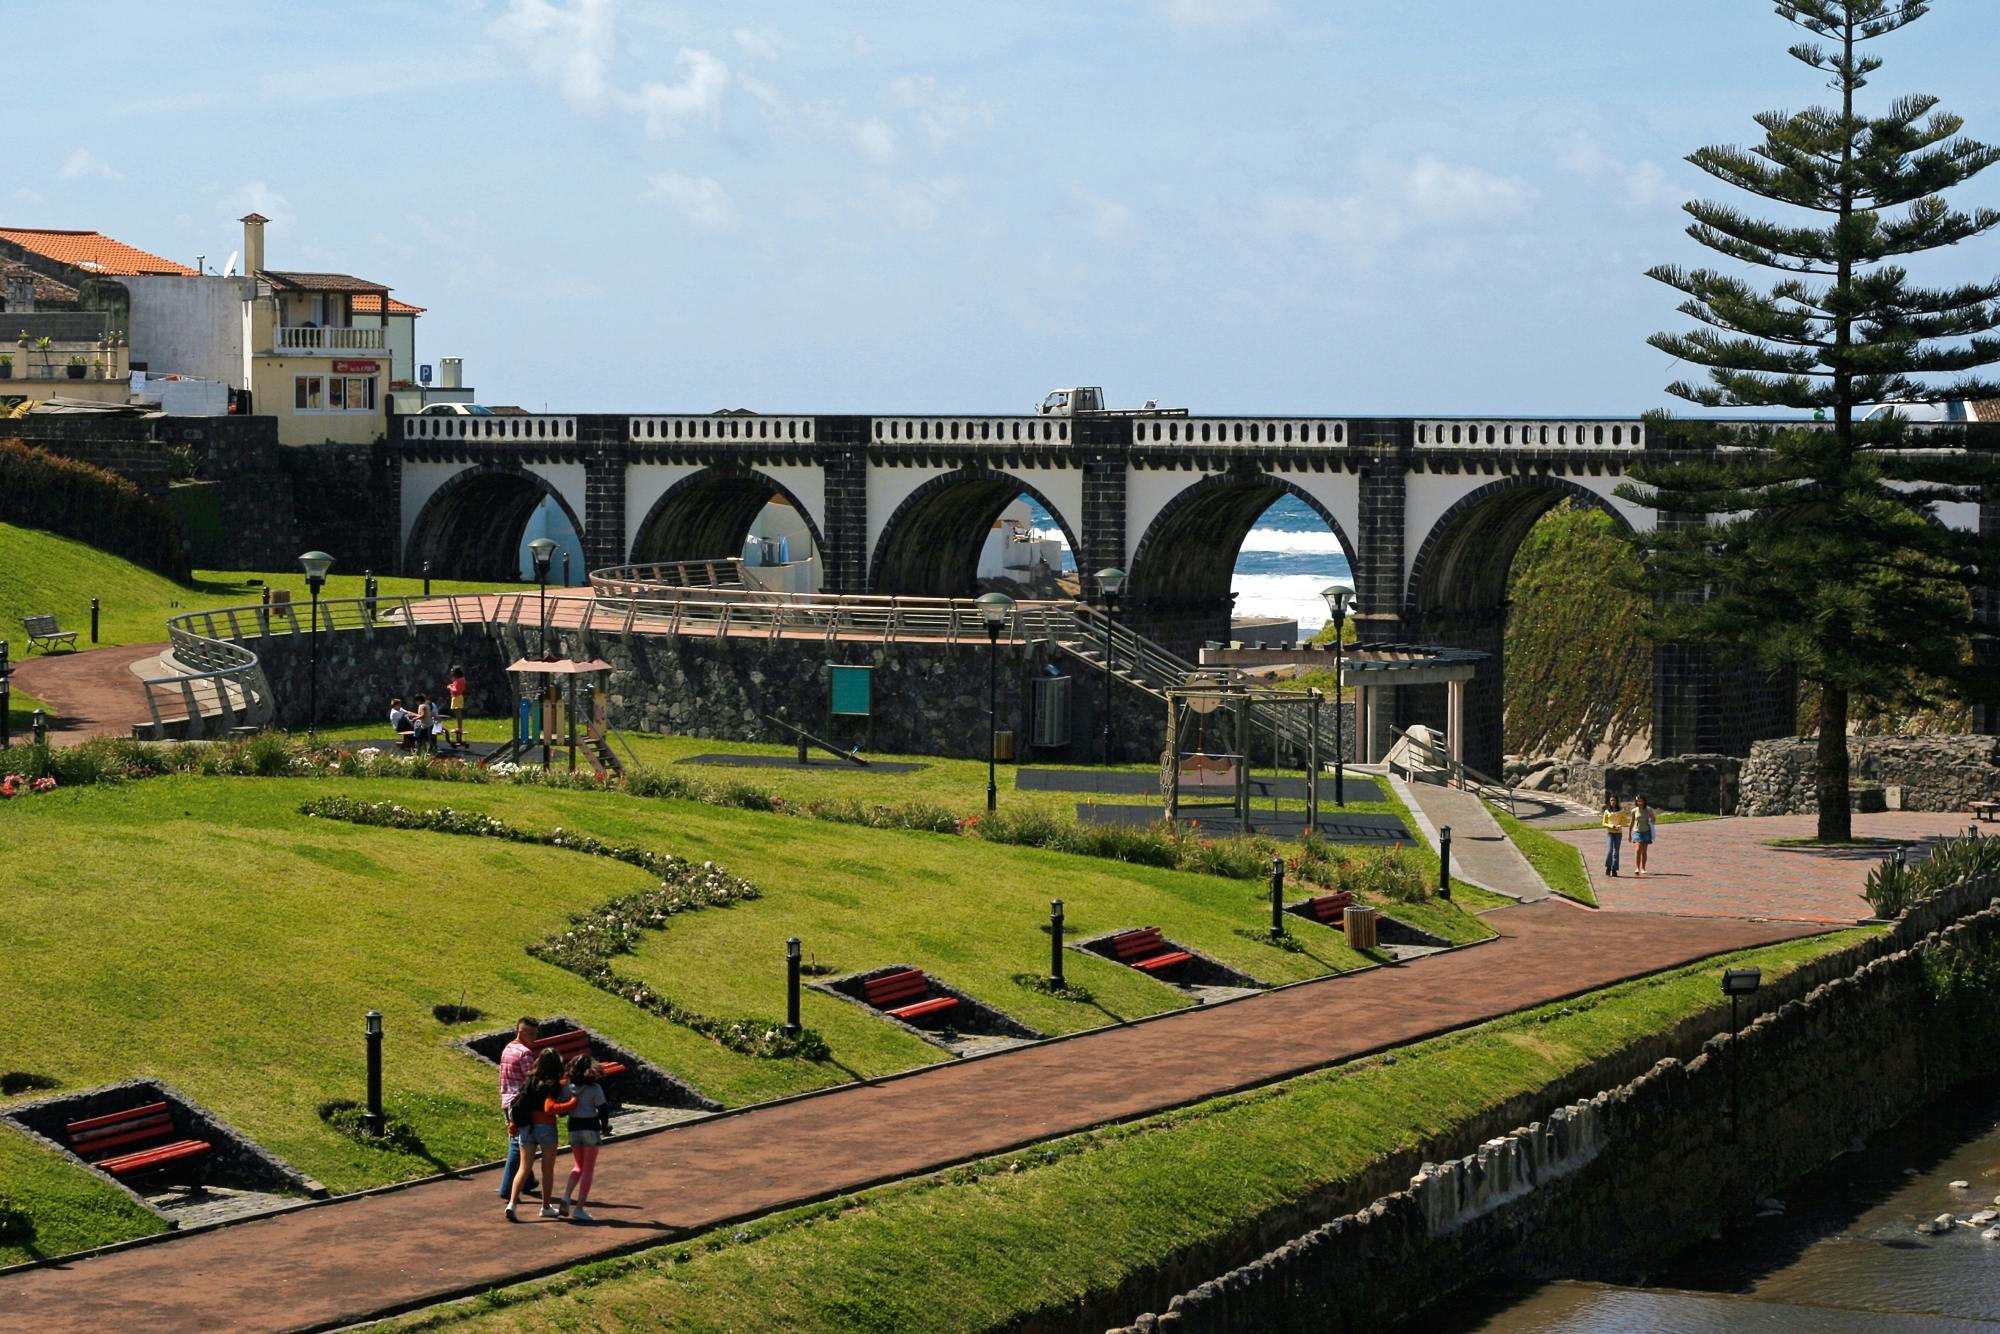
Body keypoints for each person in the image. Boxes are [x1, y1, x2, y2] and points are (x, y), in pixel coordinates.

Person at [506, 1048, 576, 1222]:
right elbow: (561, 1110)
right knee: (547, 1170)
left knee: (524, 1167)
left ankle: (512, 1204)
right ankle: (545, 1206)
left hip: (527, 1127)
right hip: (546, 1127)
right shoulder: (558, 1083)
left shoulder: (530, 1079)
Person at [496, 1018, 540, 1202]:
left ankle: (527, 1181)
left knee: (518, 1141)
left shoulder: (508, 1048)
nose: (535, 1038)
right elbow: (531, 1082)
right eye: (531, 1034)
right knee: (518, 1145)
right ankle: (507, 1188)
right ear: (521, 1032)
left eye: (536, 1034)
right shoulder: (525, 1053)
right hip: (520, 1104)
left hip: (507, 1102)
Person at [561, 1053, 609, 1223]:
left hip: (573, 1127)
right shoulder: (595, 1088)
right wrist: (605, 1127)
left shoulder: (567, 1086)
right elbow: (603, 1109)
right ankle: (579, 1208)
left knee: (578, 1166)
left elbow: (562, 1110)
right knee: (588, 1169)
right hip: (590, 1127)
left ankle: (566, 1197)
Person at [1601, 796, 1631, 877]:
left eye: (1614, 800)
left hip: (1618, 833)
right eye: (1611, 800)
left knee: (1616, 852)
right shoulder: (1607, 811)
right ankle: (1608, 867)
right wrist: (1611, 826)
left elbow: (1625, 821)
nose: (1612, 801)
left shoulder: (1621, 811)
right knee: (1610, 850)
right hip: (1610, 833)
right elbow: (1604, 823)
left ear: (1617, 801)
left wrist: (1619, 825)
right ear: (1609, 801)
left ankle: (1614, 869)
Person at [1631, 794, 1657, 877]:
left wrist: (1651, 820)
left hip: (1646, 832)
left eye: (1641, 801)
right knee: (1638, 850)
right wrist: (1629, 834)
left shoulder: (1648, 809)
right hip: (1637, 831)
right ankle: (1637, 867)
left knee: (1644, 851)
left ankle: (1643, 868)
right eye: (1638, 801)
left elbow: (1653, 819)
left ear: (1644, 801)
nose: (1640, 803)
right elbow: (1632, 822)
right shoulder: (1634, 810)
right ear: (1636, 802)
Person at [447, 665, 468, 748]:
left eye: (452, 670)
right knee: (458, 712)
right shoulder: (461, 679)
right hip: (459, 696)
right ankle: (459, 727)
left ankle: (459, 727)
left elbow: (456, 690)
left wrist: (450, 687)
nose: (451, 672)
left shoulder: (458, 680)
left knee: (457, 712)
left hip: (456, 697)